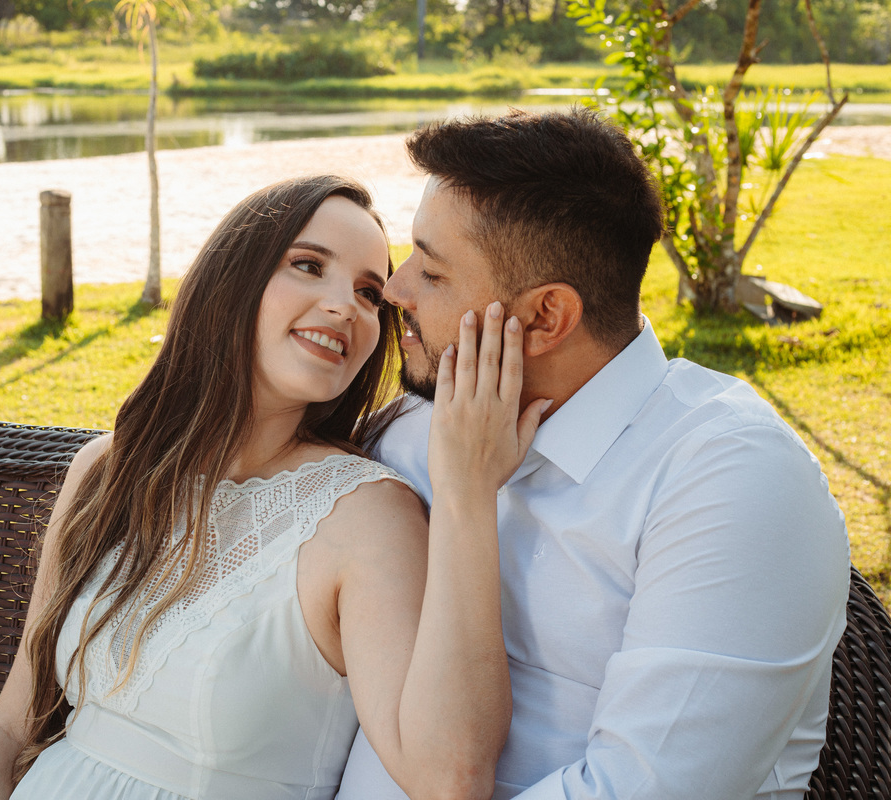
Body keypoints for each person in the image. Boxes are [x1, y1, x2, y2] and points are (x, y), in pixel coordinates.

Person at [0, 174, 548, 800]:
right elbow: (8, 732)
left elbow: (447, 778)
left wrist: (468, 495)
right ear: (232, 276)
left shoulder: (365, 516)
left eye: (368, 293)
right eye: (309, 266)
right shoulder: (109, 470)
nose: (346, 307)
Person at [336, 108, 851, 800]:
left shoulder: (733, 481)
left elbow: (638, 789)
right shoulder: (413, 426)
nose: (393, 291)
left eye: (431, 273)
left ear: (545, 317)